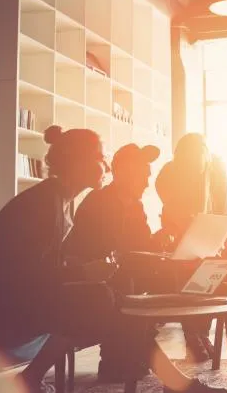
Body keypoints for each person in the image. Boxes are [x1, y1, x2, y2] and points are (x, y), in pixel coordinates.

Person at [0, 126, 227, 393]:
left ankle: (164, 379)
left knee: (109, 301)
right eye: (99, 157)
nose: (106, 165)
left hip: (15, 296)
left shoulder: (58, 199)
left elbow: (42, 270)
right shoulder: (45, 204)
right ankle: (170, 382)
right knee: (107, 301)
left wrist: (83, 272)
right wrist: (84, 271)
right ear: (78, 161)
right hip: (1, 306)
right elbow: (32, 272)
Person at [63, 142, 162, 382]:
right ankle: (123, 360)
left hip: (123, 276)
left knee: (161, 278)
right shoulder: (99, 202)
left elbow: (142, 246)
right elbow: (99, 253)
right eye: (143, 176)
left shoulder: (136, 207)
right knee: (129, 288)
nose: (147, 184)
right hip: (93, 281)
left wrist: (161, 242)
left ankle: (131, 357)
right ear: (127, 174)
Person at [155, 132, 227, 362]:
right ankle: (192, 336)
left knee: (208, 283)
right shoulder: (168, 173)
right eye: (188, 163)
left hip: (207, 230)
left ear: (206, 156)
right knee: (187, 285)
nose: (194, 168)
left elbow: (223, 205)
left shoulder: (216, 169)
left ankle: (202, 334)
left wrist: (222, 236)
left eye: (198, 161)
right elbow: (171, 206)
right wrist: (186, 226)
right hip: (179, 232)